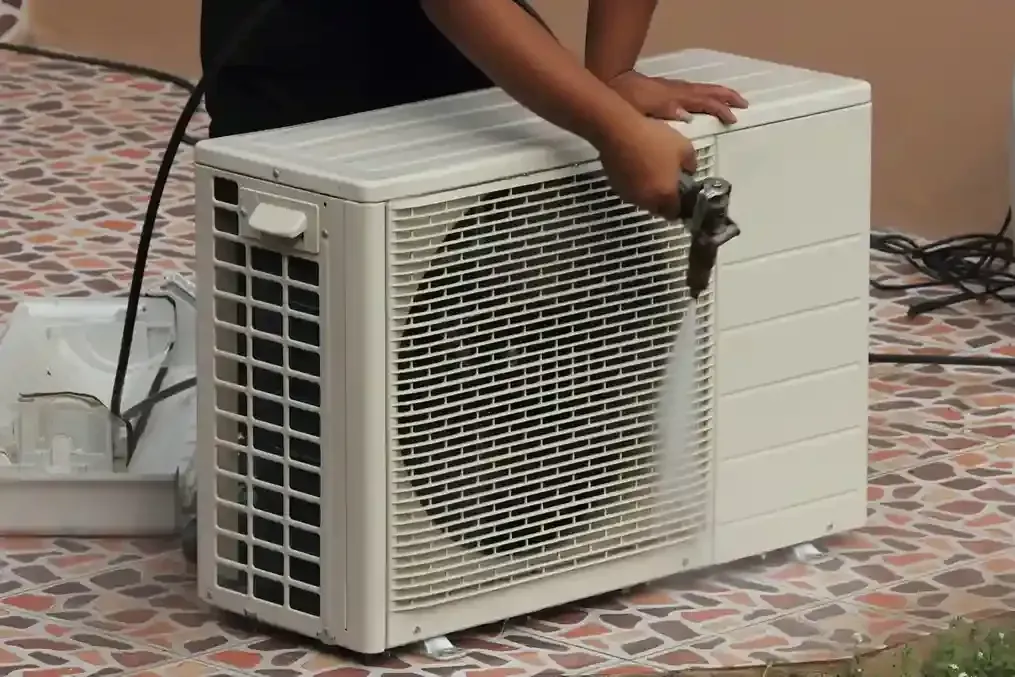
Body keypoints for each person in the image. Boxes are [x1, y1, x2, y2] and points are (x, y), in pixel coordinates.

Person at [201, 0, 747, 220]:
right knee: (308, 277)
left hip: (441, 33)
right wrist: (613, 127)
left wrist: (612, 75)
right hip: (296, 45)